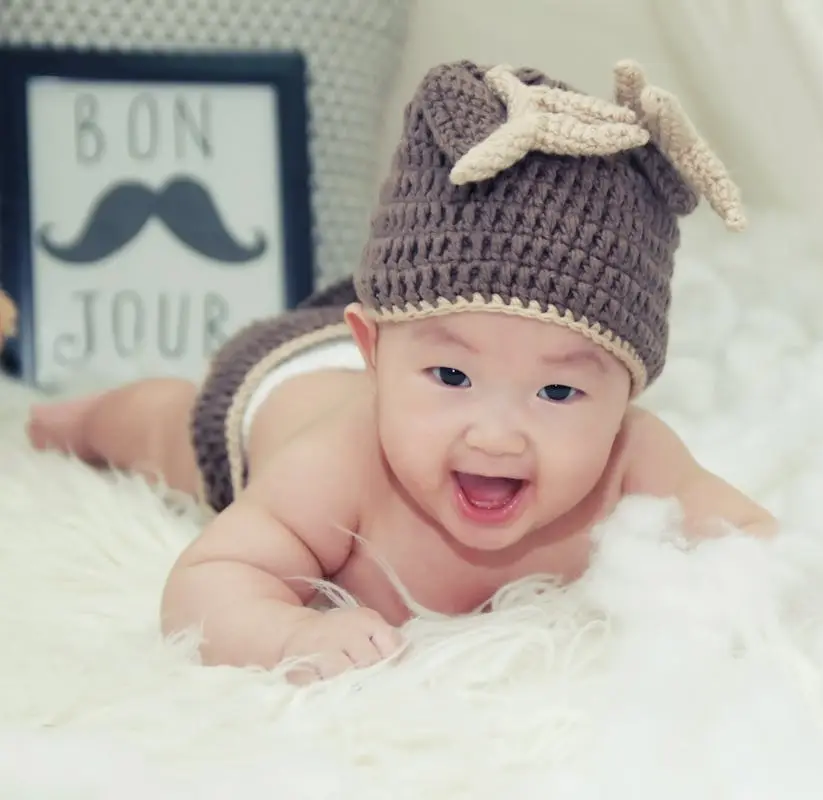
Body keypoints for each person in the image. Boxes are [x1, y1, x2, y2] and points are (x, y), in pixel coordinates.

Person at [25, 59, 776, 682]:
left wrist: (748, 590)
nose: (497, 434)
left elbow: (750, 540)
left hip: (402, 333)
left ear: (626, 397)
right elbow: (206, 581)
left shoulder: (631, 460)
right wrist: (288, 636)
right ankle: (79, 417)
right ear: (376, 354)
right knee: (157, 426)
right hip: (279, 388)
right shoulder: (338, 468)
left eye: (557, 391)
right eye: (453, 380)